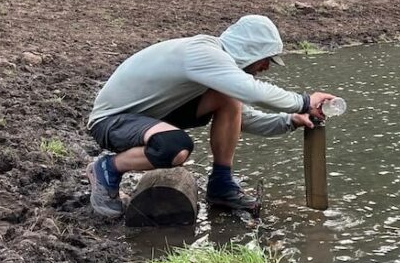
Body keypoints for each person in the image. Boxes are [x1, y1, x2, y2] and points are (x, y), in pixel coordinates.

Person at [86, 14, 337, 217]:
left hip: (150, 118)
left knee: (229, 99)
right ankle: (107, 168)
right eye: (265, 59)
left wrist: (289, 121)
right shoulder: (203, 52)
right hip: (113, 121)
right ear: (250, 50)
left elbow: (242, 118)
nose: (266, 67)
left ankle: (221, 184)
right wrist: (303, 101)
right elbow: (252, 91)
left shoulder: (217, 68)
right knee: (175, 147)